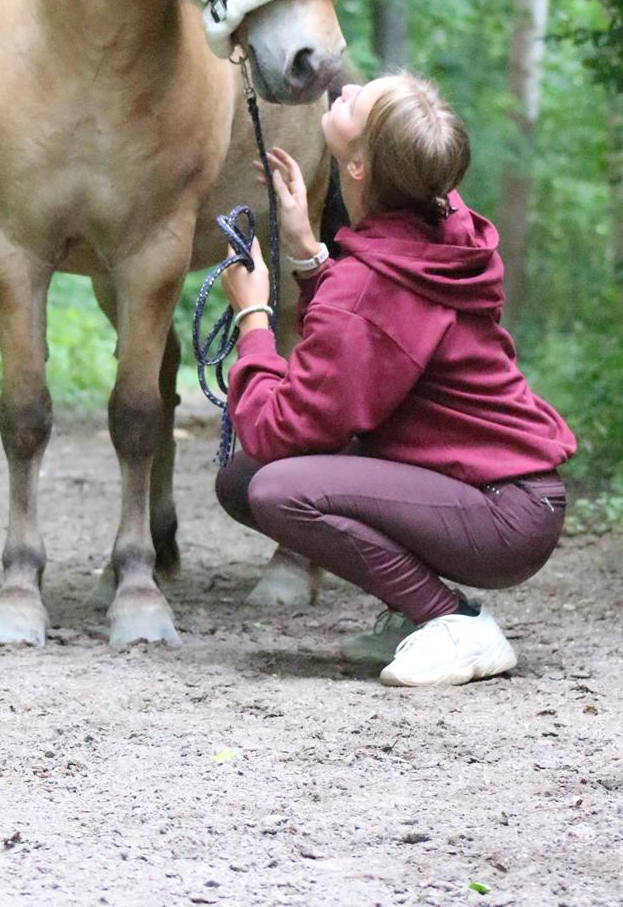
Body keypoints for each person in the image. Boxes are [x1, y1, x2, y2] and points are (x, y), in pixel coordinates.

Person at [216, 70, 576, 687]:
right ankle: (417, 613)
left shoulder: (372, 286)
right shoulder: (441, 223)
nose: (347, 91)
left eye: (359, 103)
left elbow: (281, 430)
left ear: (357, 169)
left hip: (503, 514)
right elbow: (361, 334)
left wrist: (253, 315)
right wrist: (308, 249)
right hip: (501, 493)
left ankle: (453, 622)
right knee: (242, 479)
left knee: (276, 487)